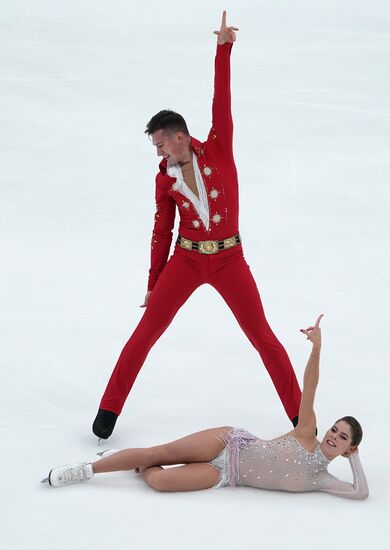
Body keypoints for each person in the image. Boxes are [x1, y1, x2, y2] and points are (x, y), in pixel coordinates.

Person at [92, 11, 302, 440]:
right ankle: (109, 409)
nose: (158, 152)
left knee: (262, 336)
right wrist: (154, 281)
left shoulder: (219, 147)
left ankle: (301, 418)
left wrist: (223, 48)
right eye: (155, 146)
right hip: (185, 260)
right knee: (145, 332)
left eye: (161, 143)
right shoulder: (163, 179)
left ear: (181, 136)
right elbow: (160, 231)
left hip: (230, 259)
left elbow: (220, 98)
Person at [44, 315, 369, 499]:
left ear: (348, 449)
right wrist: (317, 350)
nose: (333, 436)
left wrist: (355, 461)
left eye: (342, 439)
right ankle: (86, 470)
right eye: (335, 429)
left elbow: (360, 493)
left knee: (160, 481)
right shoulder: (305, 432)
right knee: (155, 454)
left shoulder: (321, 480)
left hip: (228, 474)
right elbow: (310, 387)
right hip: (230, 442)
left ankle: (132, 461)